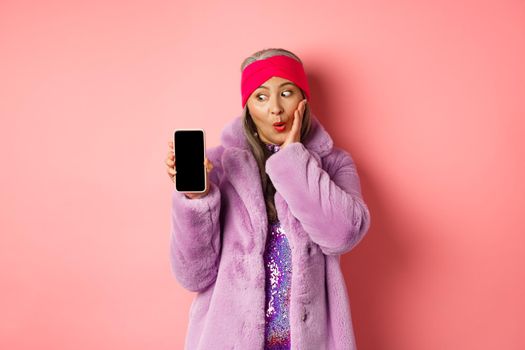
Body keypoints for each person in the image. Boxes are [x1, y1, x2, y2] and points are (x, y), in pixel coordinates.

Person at [165, 48, 371, 350]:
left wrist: (293, 160)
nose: (276, 109)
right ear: (248, 107)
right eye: (261, 97)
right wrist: (198, 200)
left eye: (286, 93)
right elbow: (193, 275)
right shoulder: (219, 169)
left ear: (303, 99)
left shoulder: (334, 164)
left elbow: (343, 235)